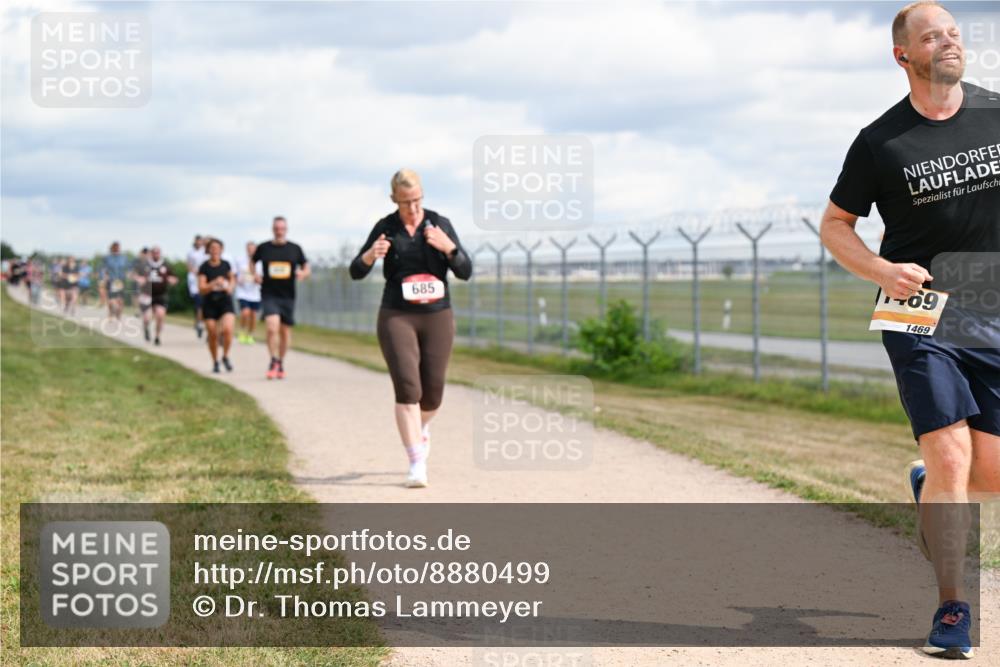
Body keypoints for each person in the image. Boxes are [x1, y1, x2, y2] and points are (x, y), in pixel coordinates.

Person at [820, 2, 999, 659]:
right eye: (933, 36)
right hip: (917, 305)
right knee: (952, 452)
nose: (948, 41)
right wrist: (880, 267)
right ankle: (954, 607)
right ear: (904, 56)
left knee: (988, 475)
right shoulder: (880, 141)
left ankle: (929, 488)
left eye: (954, 32)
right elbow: (836, 223)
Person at [350, 169, 472, 487]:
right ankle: (417, 462)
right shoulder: (385, 228)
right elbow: (356, 271)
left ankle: (421, 429)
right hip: (397, 315)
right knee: (408, 389)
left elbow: (465, 271)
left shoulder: (439, 223)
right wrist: (369, 255)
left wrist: (450, 249)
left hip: (437, 315)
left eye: (417, 200)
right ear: (395, 200)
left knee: (432, 395)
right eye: (406, 203)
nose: (414, 208)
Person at [252, 217, 309, 379]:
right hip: (269, 293)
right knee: (272, 327)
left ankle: (281, 362)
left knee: (284, 331)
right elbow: (252, 261)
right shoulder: (263, 248)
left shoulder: (295, 248)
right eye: (277, 228)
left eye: (282, 228)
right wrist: (255, 274)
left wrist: (303, 273)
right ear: (272, 229)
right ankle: (273, 360)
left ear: (286, 229)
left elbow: (306, 266)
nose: (279, 231)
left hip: (288, 296)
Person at [198, 238, 236, 373]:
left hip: (225, 301)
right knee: (213, 333)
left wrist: (229, 287)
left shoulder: (226, 265)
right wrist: (214, 283)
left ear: (221, 250)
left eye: (217, 248)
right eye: (212, 248)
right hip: (210, 302)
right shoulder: (204, 267)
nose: (214, 250)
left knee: (228, 330)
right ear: (208, 250)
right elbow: (201, 288)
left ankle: (225, 356)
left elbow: (232, 280)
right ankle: (215, 361)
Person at [136, 246, 178, 346]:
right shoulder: (145, 264)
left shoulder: (166, 265)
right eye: (154, 253)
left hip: (160, 295)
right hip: (147, 294)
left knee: (160, 315)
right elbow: (134, 274)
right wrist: (139, 279)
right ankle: (146, 328)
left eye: (157, 253)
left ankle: (157, 336)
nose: (156, 255)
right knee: (146, 317)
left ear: (160, 254)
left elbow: (174, 277)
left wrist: (172, 280)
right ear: (151, 254)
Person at [234, 241, 262, 344]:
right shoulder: (239, 260)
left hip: (255, 293)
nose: (251, 251)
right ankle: (241, 331)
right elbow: (233, 274)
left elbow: (263, 277)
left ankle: (250, 334)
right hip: (243, 292)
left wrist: (258, 279)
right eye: (249, 249)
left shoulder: (261, 262)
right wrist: (237, 279)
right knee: (245, 312)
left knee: (253, 316)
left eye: (253, 249)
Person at [101, 243, 129, 320]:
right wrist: (104, 277)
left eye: (118, 248)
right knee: (111, 299)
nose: (117, 250)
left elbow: (128, 268)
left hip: (121, 281)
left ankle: (118, 314)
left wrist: (128, 274)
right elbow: (103, 268)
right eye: (115, 248)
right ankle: (111, 312)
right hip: (111, 280)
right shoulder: (107, 258)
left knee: (120, 300)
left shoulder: (123, 258)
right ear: (112, 248)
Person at [186, 235, 207, 338]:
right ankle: (198, 322)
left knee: (203, 304)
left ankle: (200, 322)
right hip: (194, 280)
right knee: (198, 302)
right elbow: (189, 265)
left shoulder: (205, 251)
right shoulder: (191, 252)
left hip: (204, 280)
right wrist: (195, 272)